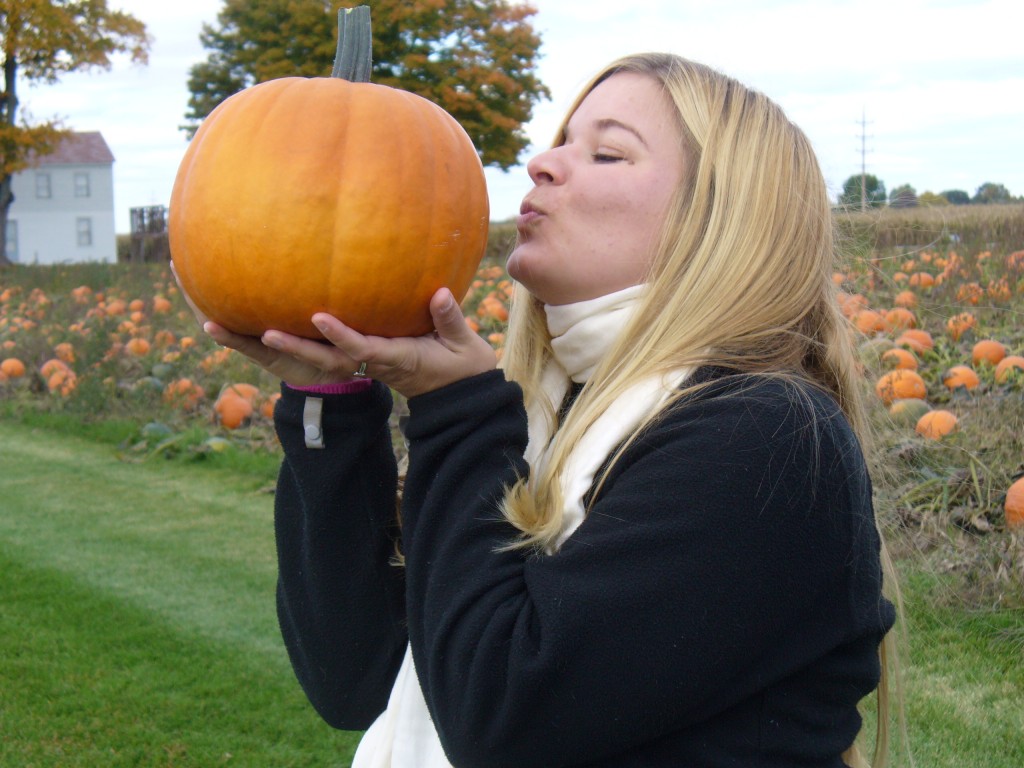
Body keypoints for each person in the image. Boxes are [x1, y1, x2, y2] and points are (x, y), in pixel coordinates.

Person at [186, 52, 898, 768]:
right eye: (561, 140)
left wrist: (457, 412)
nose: (542, 164)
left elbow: (503, 721)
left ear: (720, 219)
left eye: (607, 153)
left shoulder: (761, 437)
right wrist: (328, 402)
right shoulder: (549, 414)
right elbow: (356, 673)